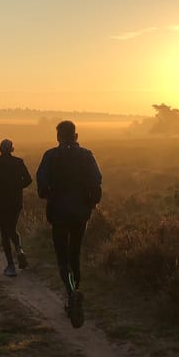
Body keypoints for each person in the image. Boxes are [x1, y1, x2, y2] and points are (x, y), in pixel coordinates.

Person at [36, 121, 102, 328]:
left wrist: (47, 195)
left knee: (62, 255)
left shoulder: (50, 155)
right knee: (75, 252)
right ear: (76, 135)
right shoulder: (86, 155)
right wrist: (91, 202)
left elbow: (41, 179)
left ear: (58, 137)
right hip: (81, 211)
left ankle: (71, 292)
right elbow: (97, 179)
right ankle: (75, 291)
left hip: (58, 211)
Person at [0, 138, 32, 277]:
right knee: (12, 227)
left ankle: (11, 265)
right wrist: (17, 187)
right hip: (16, 201)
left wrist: (2, 186)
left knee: (4, 232)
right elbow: (28, 180)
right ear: (12, 149)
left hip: (2, 201)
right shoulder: (19, 162)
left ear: (0, 149)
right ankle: (19, 250)